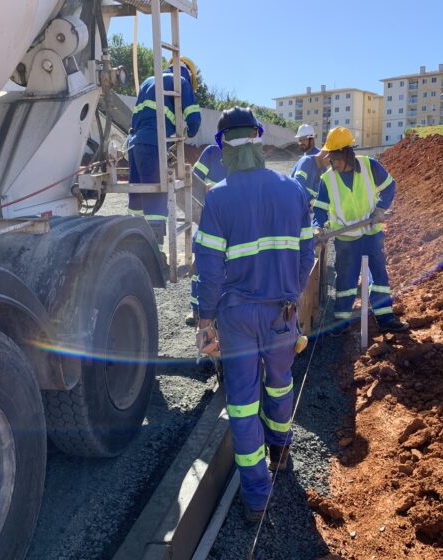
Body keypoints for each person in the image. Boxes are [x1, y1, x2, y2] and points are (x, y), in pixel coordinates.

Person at [194, 107, 315, 523]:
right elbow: (306, 256)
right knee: (280, 385)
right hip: (281, 312)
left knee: (243, 405)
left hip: (236, 318)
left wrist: (205, 322)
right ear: (259, 141)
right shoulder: (293, 191)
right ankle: (280, 448)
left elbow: (209, 271)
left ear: (223, 146)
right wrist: (291, 296)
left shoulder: (218, 197)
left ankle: (257, 496)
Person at [312, 126, 409, 334]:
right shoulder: (327, 179)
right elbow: (320, 209)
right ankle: (341, 322)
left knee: (379, 275)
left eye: (336, 158)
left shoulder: (369, 166)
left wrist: (381, 208)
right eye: (331, 158)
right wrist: (317, 228)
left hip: (371, 232)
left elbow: (389, 186)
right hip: (345, 238)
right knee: (346, 280)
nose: (333, 162)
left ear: (348, 153)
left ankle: (385, 317)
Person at [127, 57, 202, 244]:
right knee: (156, 197)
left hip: (134, 145)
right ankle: (156, 252)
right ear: (189, 75)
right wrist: (188, 132)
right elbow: (193, 117)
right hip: (154, 144)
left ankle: (134, 242)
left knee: (137, 197)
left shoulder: (148, 81)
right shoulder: (180, 82)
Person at [187, 144, 227, 326]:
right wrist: (205, 188)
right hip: (210, 221)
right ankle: (195, 308)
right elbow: (194, 180)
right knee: (200, 266)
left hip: (231, 224)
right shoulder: (211, 153)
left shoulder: (246, 157)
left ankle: (221, 310)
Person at [290, 124, 321, 201]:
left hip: (310, 203)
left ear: (312, 139)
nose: (301, 142)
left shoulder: (318, 157)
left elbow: (298, 182)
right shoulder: (306, 156)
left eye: (304, 139)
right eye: (300, 140)